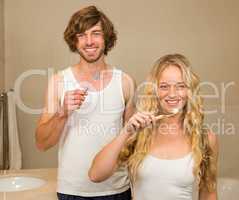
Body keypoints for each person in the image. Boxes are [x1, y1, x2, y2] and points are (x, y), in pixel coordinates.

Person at [35, 5, 134, 200]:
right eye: (81, 35)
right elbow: (41, 143)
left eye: (96, 33)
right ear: (74, 40)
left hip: (117, 190)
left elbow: (132, 141)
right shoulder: (58, 81)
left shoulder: (125, 82)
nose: (89, 41)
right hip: (72, 191)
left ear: (106, 38)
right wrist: (63, 112)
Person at [89, 54, 219, 200]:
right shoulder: (139, 132)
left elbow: (209, 192)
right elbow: (95, 175)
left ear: (189, 90)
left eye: (180, 86)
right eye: (164, 86)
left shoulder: (205, 138)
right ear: (154, 90)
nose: (172, 94)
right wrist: (126, 132)